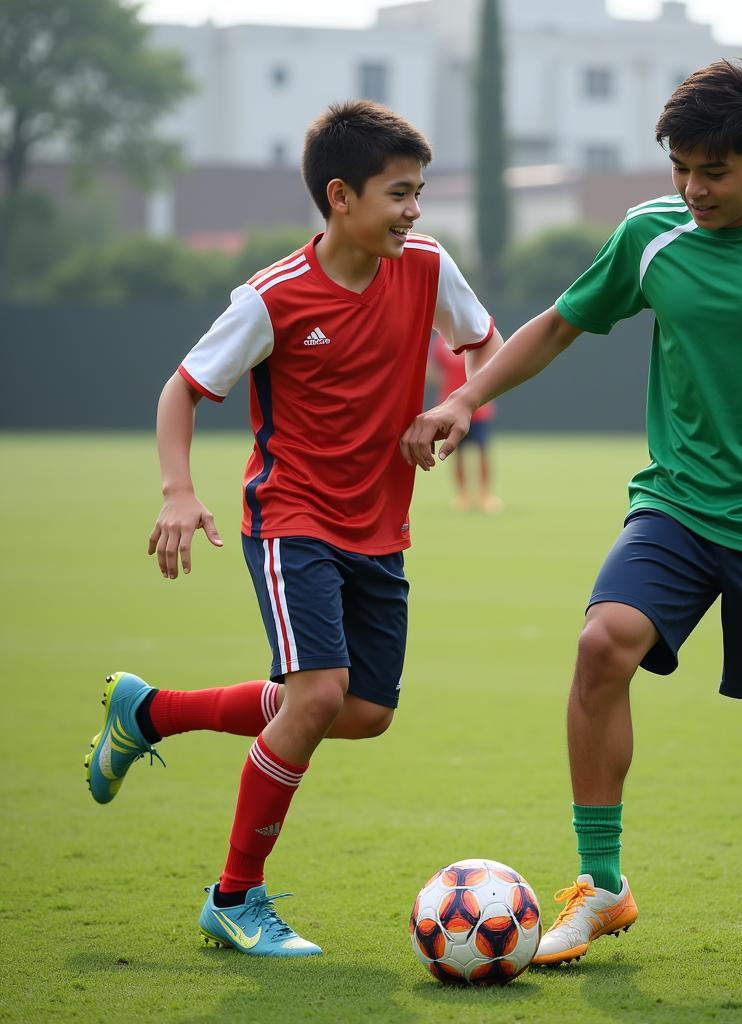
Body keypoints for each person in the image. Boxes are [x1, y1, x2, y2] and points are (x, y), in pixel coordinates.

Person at [402, 58, 742, 961]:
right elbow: (558, 323)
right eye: (681, 169)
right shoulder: (650, 234)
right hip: (679, 505)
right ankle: (602, 885)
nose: (694, 189)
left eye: (715, 172)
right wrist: (464, 397)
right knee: (600, 643)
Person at [83, 100, 501, 957]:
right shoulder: (272, 297)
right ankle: (235, 898)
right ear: (341, 197)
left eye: (419, 191)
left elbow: (485, 346)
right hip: (292, 519)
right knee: (314, 697)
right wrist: (176, 490)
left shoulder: (425, 265)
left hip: (379, 528)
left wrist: (455, 408)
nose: (414, 210)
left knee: (364, 710)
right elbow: (182, 390)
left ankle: (148, 712)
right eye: (399, 193)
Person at [429, 332, 503, 512]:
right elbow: (431, 367)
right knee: (456, 452)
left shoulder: (478, 334)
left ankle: (485, 495)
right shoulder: (441, 342)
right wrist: (445, 383)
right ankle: (462, 496)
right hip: (451, 406)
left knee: (482, 450)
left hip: (478, 406)